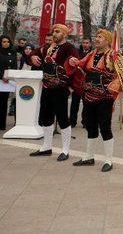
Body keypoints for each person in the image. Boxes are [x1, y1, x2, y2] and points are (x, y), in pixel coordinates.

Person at [68, 28, 123, 172]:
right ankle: (89, 156)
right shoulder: (91, 53)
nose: (96, 39)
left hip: (104, 97)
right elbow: (81, 63)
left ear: (108, 41)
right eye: (96, 36)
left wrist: (113, 87)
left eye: (100, 37)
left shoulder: (114, 56)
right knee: (90, 125)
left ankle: (108, 160)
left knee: (105, 127)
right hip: (89, 95)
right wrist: (74, 61)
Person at [27, 24, 79, 161]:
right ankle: (46, 147)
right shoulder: (47, 47)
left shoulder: (69, 47)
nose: (54, 34)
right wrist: (32, 56)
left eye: (57, 32)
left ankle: (65, 150)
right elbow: (33, 53)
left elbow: (75, 65)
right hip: (47, 87)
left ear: (65, 34)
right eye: (53, 31)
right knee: (46, 116)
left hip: (60, 88)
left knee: (62, 118)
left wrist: (69, 85)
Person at [70, 37, 93, 127]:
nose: (85, 44)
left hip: (87, 81)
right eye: (84, 42)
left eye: (87, 43)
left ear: (90, 44)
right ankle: (72, 122)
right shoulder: (76, 52)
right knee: (74, 103)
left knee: (86, 104)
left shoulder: (93, 53)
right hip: (76, 82)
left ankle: (85, 121)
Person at [0, 35, 18, 131]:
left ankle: (2, 124)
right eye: (4, 41)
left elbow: (14, 66)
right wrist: (2, 76)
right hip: (0, 79)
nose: (6, 43)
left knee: (3, 103)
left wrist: (8, 76)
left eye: (7, 41)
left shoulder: (12, 52)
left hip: (6, 82)